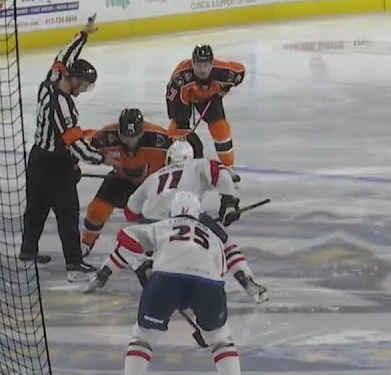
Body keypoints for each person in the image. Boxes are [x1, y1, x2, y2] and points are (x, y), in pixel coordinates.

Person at [107, 191, 253, 375]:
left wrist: (143, 265)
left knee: (144, 336)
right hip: (209, 284)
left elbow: (125, 237)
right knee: (220, 338)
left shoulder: (163, 225)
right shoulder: (212, 235)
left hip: (165, 279)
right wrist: (205, 319)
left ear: (172, 210)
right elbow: (220, 271)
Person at [85, 141, 268, 302]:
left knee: (131, 241)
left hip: (153, 219)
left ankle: (103, 275)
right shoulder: (197, 165)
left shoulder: (153, 177)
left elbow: (131, 212)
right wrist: (229, 204)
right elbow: (219, 173)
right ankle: (248, 283)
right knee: (225, 243)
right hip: (188, 215)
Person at [19, 15, 104, 279]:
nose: (84, 90)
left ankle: (28, 250)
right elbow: (75, 145)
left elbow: (63, 55)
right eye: (85, 85)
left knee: (36, 208)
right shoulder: (62, 106)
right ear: (74, 79)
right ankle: (74, 262)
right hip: (54, 166)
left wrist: (84, 34)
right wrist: (102, 158)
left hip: (36, 158)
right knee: (67, 212)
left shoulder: (52, 80)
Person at [79, 108, 173, 255]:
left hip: (152, 183)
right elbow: (81, 145)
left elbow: (182, 154)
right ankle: (86, 244)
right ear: (118, 131)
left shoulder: (161, 139)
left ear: (142, 131)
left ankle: (156, 249)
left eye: (134, 137)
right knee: (96, 211)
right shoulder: (106, 137)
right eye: (126, 137)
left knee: (156, 217)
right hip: (121, 179)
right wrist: (72, 166)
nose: (130, 142)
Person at [165, 45, 246, 169]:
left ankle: (229, 167)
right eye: (198, 65)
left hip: (209, 97)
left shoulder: (222, 71)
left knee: (221, 130)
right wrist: (180, 124)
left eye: (206, 65)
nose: (202, 70)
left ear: (212, 63)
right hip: (183, 99)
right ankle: (172, 165)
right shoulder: (181, 77)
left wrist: (225, 87)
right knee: (179, 133)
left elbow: (240, 72)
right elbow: (172, 100)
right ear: (192, 63)